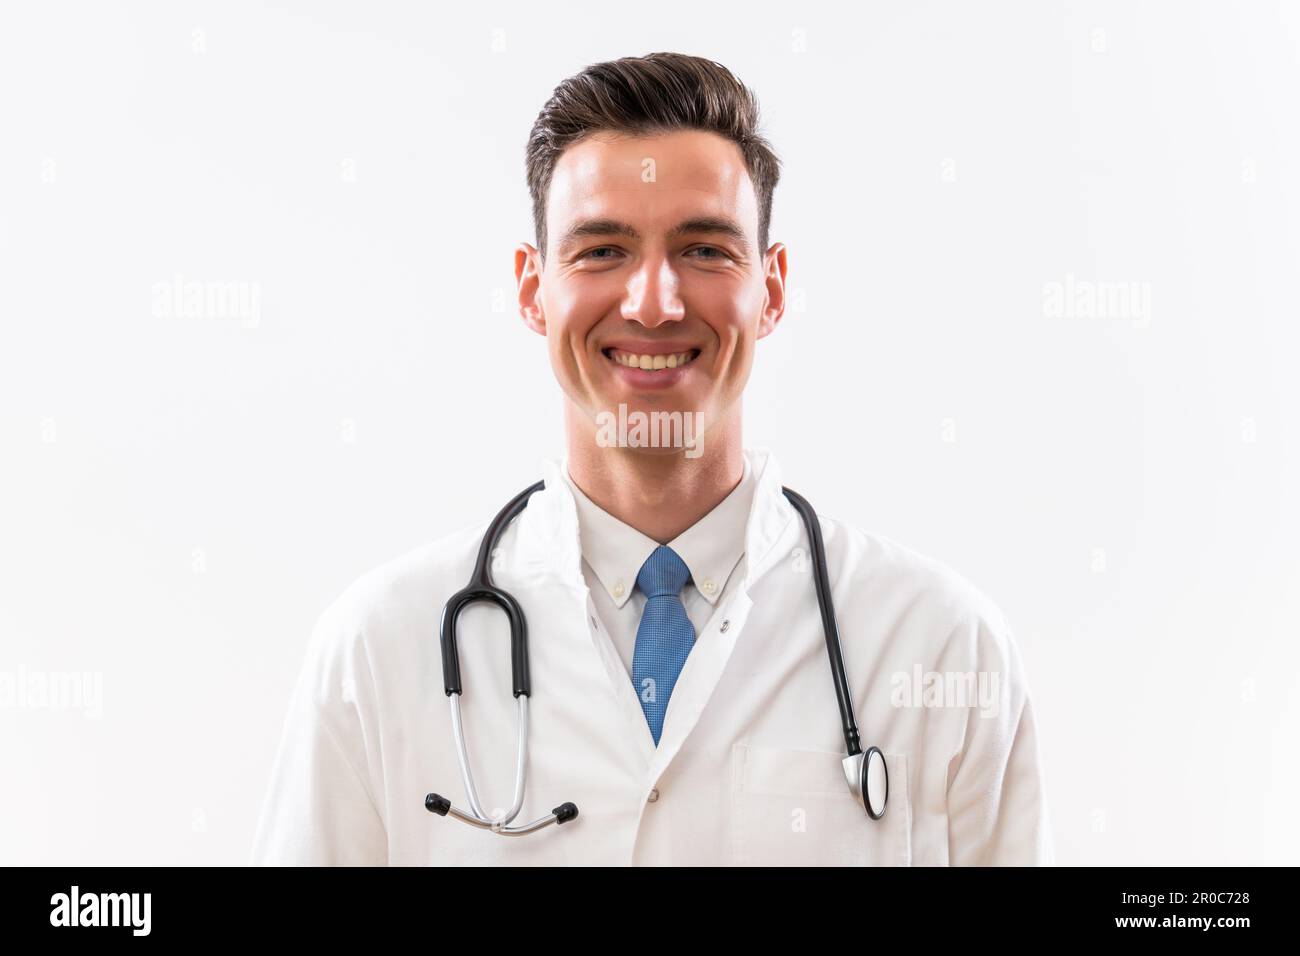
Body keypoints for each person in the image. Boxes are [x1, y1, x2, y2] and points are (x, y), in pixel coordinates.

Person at [252, 51, 1053, 866]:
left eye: (705, 249)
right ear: (533, 289)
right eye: (602, 251)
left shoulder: (942, 648)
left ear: (771, 289)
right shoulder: (380, 648)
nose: (654, 302)